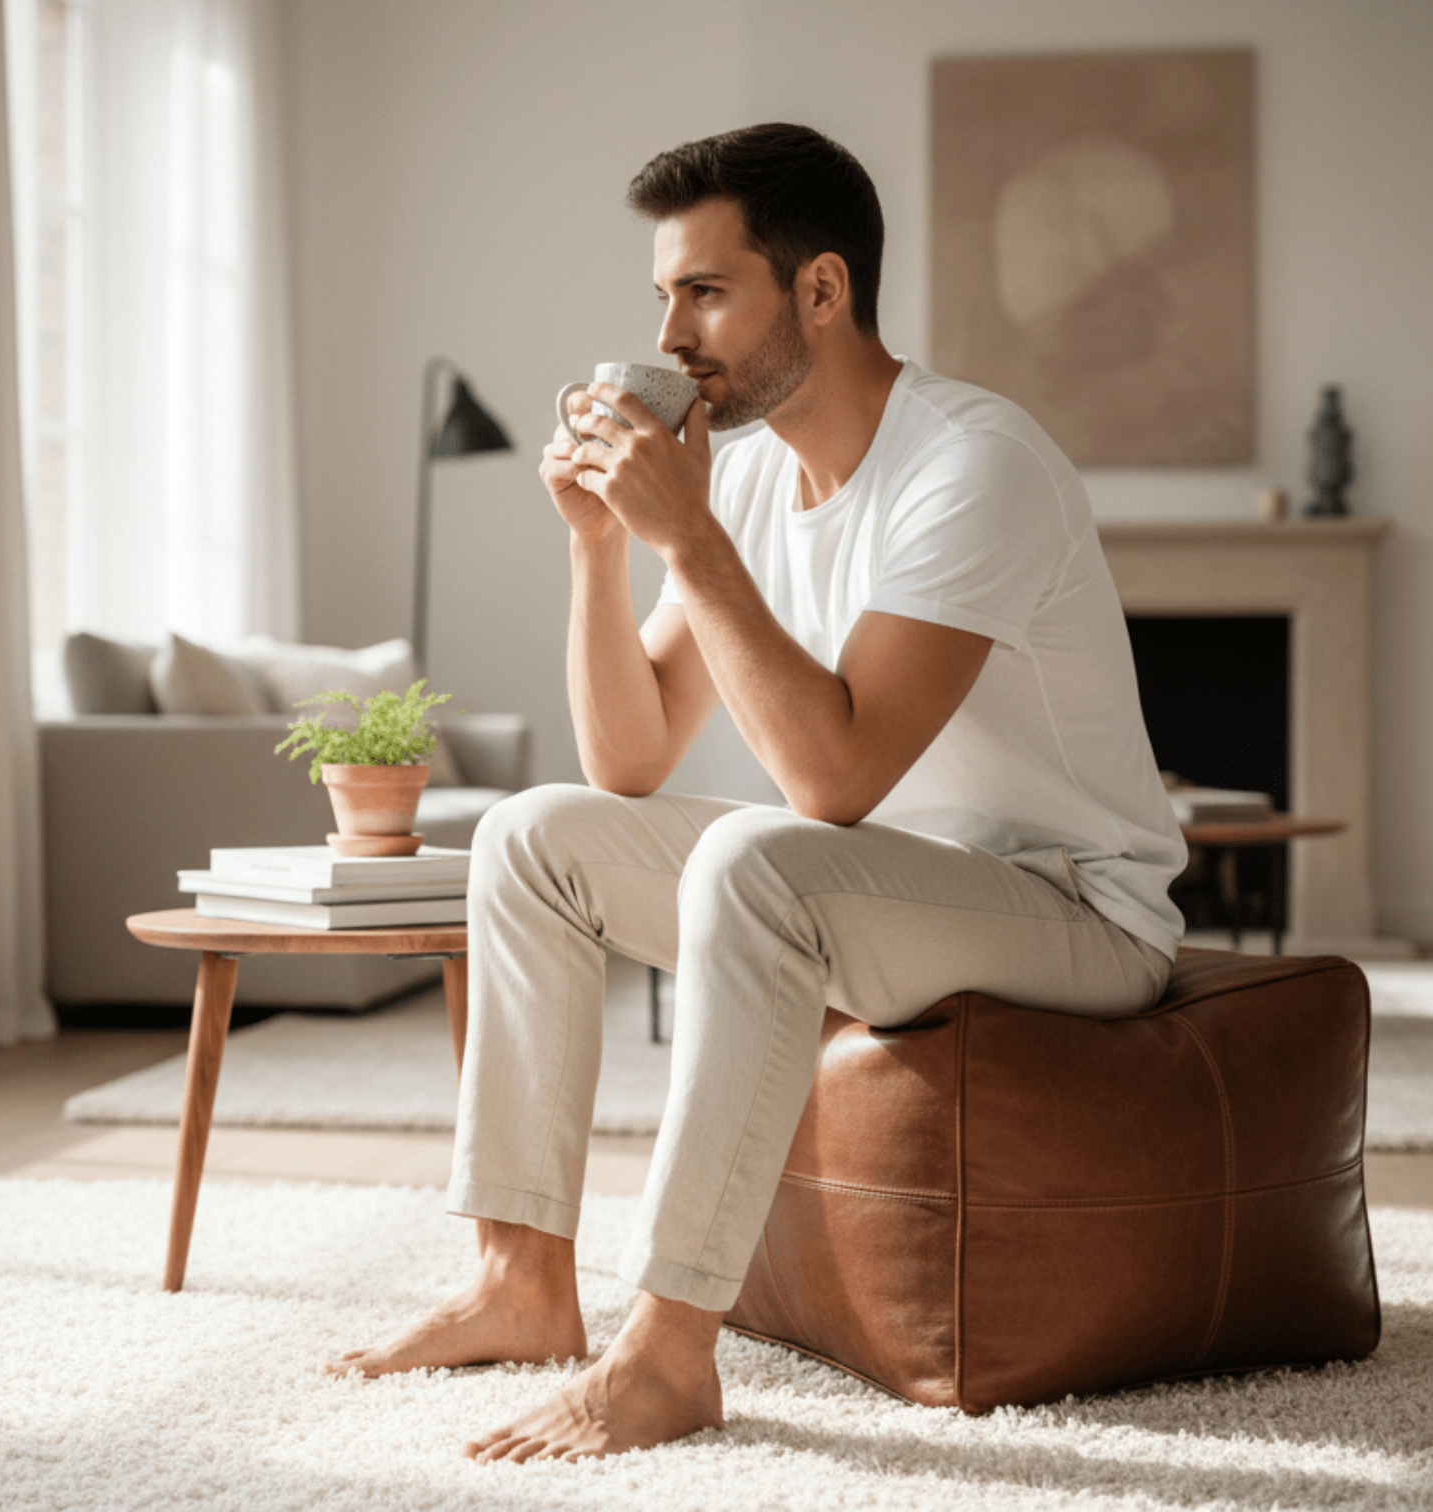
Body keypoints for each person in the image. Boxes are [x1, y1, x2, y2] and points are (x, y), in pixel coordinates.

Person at [328, 122, 1187, 1463]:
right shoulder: (753, 482)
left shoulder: (975, 465)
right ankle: (520, 1281)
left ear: (821, 290)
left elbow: (835, 780)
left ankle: (667, 1356)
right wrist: (600, 550)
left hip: (1072, 908)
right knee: (532, 834)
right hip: (883, 893)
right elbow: (627, 764)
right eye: (662, 295)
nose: (669, 335)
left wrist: (689, 536)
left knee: (761, 857)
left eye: (705, 292)